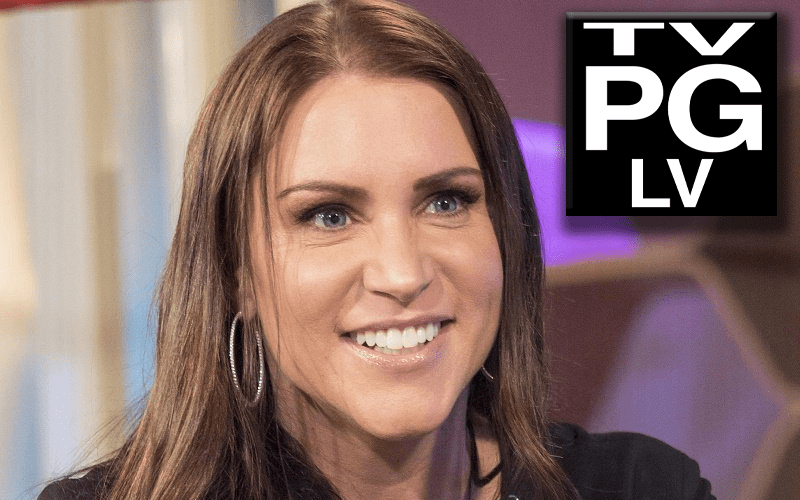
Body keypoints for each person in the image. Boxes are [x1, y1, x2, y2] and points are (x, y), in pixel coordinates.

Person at [39, 1, 715, 499]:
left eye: (446, 201)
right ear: (235, 271)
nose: (402, 272)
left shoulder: (643, 487)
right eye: (328, 215)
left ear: (506, 234)